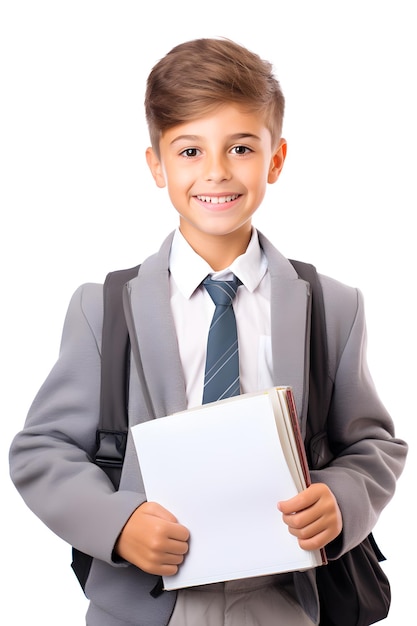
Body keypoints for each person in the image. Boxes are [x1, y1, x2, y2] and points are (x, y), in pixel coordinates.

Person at [9, 37, 407, 626]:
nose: (216, 171)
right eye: (190, 150)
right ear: (157, 165)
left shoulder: (332, 306)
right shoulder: (104, 308)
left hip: (284, 604)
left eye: (241, 147)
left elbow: (373, 446)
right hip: (145, 606)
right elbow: (42, 450)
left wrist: (343, 501)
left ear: (275, 159)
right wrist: (117, 525)